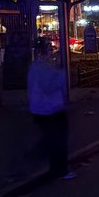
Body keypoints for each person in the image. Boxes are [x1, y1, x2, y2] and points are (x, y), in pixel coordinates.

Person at [27, 37, 71, 179]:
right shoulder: (43, 67)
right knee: (58, 139)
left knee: (51, 138)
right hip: (49, 109)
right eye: (49, 48)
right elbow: (49, 86)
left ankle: (52, 166)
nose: (52, 51)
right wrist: (62, 74)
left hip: (43, 108)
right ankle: (59, 169)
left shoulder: (37, 66)